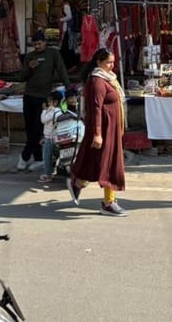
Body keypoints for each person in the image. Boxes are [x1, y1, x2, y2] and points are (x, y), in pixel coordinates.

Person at [67, 47, 127, 217]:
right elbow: (95, 109)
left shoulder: (108, 79)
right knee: (109, 165)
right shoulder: (97, 82)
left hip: (112, 129)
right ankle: (108, 202)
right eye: (108, 62)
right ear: (99, 62)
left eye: (113, 62)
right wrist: (97, 133)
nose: (112, 66)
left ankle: (77, 182)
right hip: (104, 130)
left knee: (96, 161)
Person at [17, 31, 69, 171]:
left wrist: (69, 89)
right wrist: (29, 68)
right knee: (30, 129)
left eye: (39, 43)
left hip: (43, 98)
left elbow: (62, 70)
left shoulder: (53, 54)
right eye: (35, 45)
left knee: (38, 129)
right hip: (29, 96)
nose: (37, 46)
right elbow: (22, 77)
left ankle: (24, 156)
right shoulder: (30, 56)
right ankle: (38, 158)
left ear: (45, 42)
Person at [39, 90, 63, 183]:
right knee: (55, 155)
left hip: (50, 137)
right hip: (54, 137)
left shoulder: (53, 111)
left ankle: (47, 175)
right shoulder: (60, 111)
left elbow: (43, 120)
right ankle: (53, 170)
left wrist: (44, 110)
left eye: (50, 101)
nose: (48, 103)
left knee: (47, 157)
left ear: (55, 102)